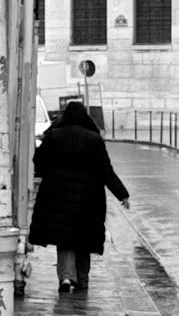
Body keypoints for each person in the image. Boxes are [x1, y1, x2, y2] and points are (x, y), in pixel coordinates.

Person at [27, 99, 130, 291]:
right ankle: (82, 280)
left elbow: (38, 161)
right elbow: (106, 170)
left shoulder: (55, 136)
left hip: (58, 196)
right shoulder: (94, 139)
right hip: (88, 198)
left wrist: (50, 173)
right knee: (83, 238)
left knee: (64, 237)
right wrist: (122, 194)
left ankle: (66, 277)